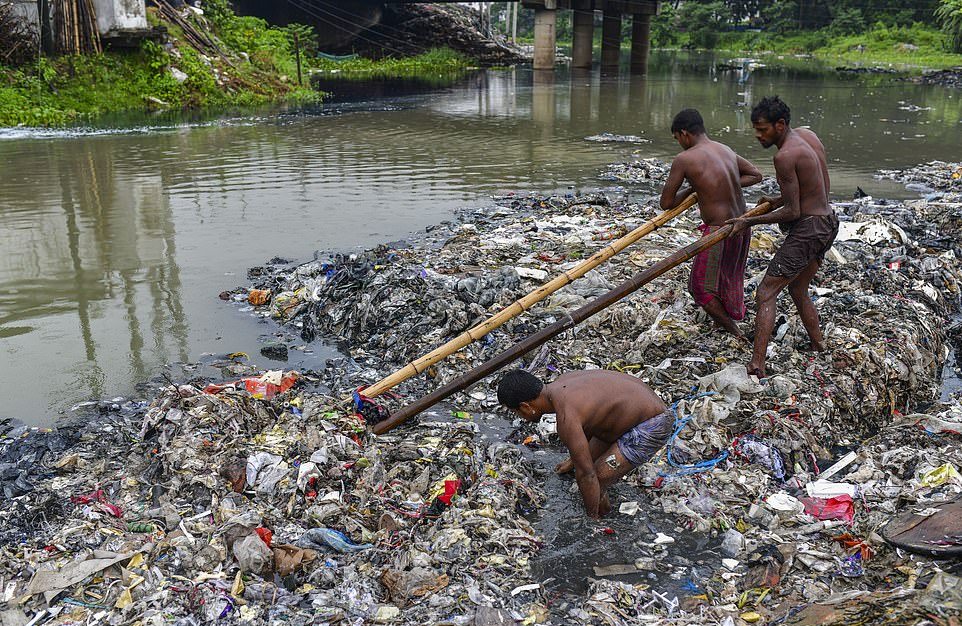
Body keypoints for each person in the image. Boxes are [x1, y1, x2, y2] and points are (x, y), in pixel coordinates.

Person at [726, 96, 838, 378]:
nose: (758, 135)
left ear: (780, 125)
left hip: (809, 229)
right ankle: (818, 343)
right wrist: (775, 199)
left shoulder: (784, 156)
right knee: (797, 288)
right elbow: (814, 187)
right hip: (828, 222)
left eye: (762, 129)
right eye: (756, 128)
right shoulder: (808, 137)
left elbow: (793, 211)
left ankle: (757, 365)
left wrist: (748, 220)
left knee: (766, 291)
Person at [497, 369, 672, 519]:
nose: (520, 417)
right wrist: (574, 460)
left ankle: (602, 516)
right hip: (634, 411)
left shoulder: (566, 417)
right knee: (585, 465)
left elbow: (587, 475)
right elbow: (589, 422)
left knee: (598, 477)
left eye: (516, 412)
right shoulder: (562, 382)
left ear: (526, 406)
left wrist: (590, 519)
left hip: (652, 424)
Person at [660, 108, 763, 338]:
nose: (679, 144)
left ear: (684, 134)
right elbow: (756, 175)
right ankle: (722, 324)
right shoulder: (724, 150)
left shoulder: (685, 159)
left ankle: (735, 332)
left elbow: (666, 202)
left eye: (677, 139)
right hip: (742, 225)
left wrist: (694, 187)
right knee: (726, 276)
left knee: (700, 289)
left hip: (720, 231)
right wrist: (716, 185)